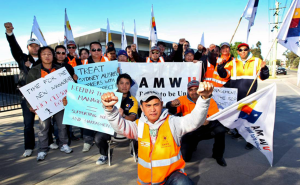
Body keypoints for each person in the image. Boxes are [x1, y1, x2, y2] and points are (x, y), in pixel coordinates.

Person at [101, 82, 214, 185]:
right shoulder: (138, 125)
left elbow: (194, 120)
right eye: (148, 105)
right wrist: (109, 109)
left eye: (156, 104)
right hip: (147, 181)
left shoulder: (173, 122)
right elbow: (121, 127)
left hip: (172, 177)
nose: (152, 109)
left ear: (161, 104)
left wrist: (204, 99)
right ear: (142, 107)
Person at [63, 74, 139, 163]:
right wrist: (70, 103)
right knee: (98, 138)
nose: (124, 86)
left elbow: (132, 118)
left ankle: (135, 152)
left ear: (130, 85)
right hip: (108, 127)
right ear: (117, 85)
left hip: (125, 128)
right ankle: (104, 154)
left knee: (140, 130)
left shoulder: (133, 100)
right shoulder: (107, 96)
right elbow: (87, 106)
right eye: (121, 83)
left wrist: (123, 116)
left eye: (127, 83)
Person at [217, 43, 269, 150]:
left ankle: (251, 140)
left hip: (250, 95)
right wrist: (220, 66)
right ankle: (241, 133)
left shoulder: (256, 61)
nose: (243, 51)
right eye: (240, 50)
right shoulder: (233, 62)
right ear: (238, 51)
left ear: (249, 50)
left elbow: (264, 77)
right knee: (239, 116)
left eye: (245, 49)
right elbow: (224, 75)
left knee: (249, 118)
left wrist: (264, 68)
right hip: (237, 95)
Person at [26, 46, 72, 161]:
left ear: (53, 56)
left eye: (49, 54)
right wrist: (30, 106)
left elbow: (68, 86)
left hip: (59, 103)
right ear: (40, 56)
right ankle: (42, 149)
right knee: (43, 128)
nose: (47, 56)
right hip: (43, 105)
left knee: (62, 126)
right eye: (44, 54)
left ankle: (64, 144)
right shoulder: (34, 71)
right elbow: (28, 90)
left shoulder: (59, 70)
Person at [166, 80, 227, 166]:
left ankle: (218, 155)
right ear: (188, 91)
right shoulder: (182, 99)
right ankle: (193, 144)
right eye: (191, 90)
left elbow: (214, 116)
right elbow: (171, 109)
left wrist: (208, 120)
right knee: (186, 158)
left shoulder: (210, 100)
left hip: (205, 128)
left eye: (196, 89)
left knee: (220, 130)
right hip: (191, 131)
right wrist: (171, 105)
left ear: (200, 90)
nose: (194, 92)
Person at [4, 22, 41, 157]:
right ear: (28, 47)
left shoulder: (44, 59)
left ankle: (49, 142)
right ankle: (29, 147)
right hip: (27, 96)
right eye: (32, 46)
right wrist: (9, 33)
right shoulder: (22, 58)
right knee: (28, 123)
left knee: (47, 120)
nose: (35, 48)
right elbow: (14, 46)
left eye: (37, 46)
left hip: (43, 94)